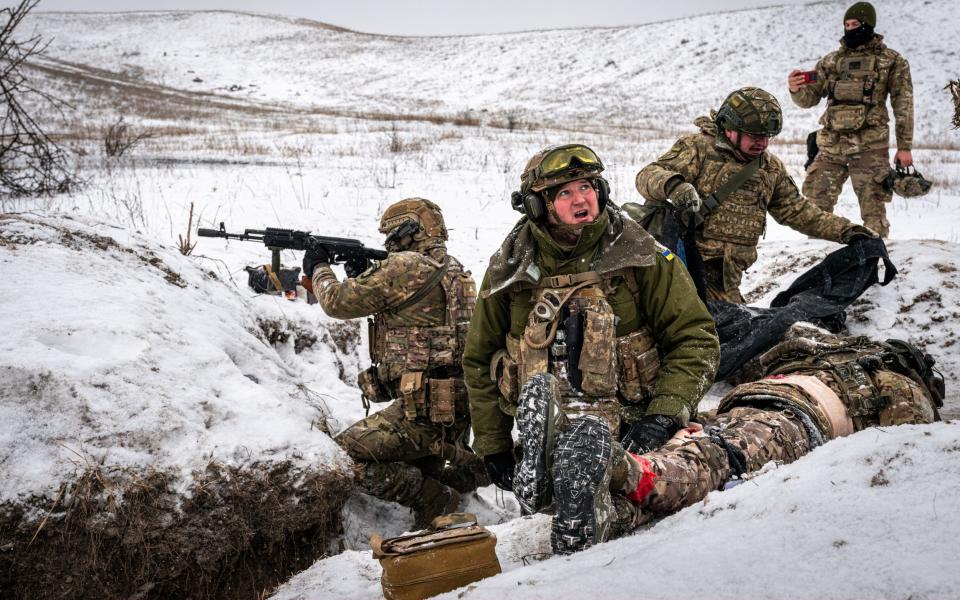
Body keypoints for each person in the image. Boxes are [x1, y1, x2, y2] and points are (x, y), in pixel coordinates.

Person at [462, 144, 721, 554]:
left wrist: (663, 415)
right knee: (568, 502)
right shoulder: (508, 270)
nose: (581, 199)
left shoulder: (643, 257)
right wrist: (493, 446)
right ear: (537, 205)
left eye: (586, 187)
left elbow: (695, 339)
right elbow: (480, 359)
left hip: (631, 429)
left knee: (639, 497)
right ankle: (548, 470)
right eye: (564, 193)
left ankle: (591, 485)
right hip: (545, 434)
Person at [623, 324, 942, 518]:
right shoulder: (901, 386)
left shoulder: (818, 354)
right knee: (719, 459)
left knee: (692, 445)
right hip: (794, 420)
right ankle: (629, 473)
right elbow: (913, 451)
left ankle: (614, 508)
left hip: (743, 402)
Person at [303, 198, 487, 528]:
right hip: (455, 410)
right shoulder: (455, 270)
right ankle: (461, 476)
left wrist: (319, 266)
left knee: (343, 458)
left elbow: (335, 301)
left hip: (422, 414)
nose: (387, 245)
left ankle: (432, 497)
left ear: (408, 232)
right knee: (431, 462)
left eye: (391, 236)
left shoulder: (405, 267)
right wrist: (367, 273)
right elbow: (414, 319)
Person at [635, 86, 876, 304]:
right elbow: (648, 175)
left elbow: (798, 212)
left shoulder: (770, 169)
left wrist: (847, 231)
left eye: (767, 136)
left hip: (727, 286)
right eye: (755, 135)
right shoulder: (697, 148)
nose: (762, 142)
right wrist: (674, 186)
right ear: (729, 128)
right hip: (683, 273)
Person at [788, 1, 914, 238]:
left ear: (868, 25)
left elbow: (903, 105)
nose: (850, 29)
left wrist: (904, 146)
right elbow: (810, 99)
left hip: (870, 147)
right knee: (815, 205)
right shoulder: (831, 62)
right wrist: (795, 90)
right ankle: (816, 257)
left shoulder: (891, 61)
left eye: (855, 24)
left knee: (873, 211)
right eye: (846, 24)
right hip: (831, 145)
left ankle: (876, 259)